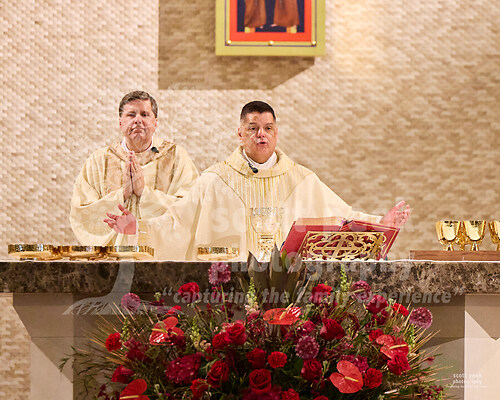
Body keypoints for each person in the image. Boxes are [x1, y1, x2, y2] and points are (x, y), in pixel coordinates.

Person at [104, 101, 410, 260]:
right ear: (240, 134)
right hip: (229, 295)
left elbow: (343, 217)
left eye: (267, 128)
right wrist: (137, 229)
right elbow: (177, 224)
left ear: (276, 133)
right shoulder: (215, 180)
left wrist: (381, 223)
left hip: (288, 295)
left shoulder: (301, 180)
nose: (260, 134)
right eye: (252, 128)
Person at [71, 91, 198, 246]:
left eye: (144, 114)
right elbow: (82, 213)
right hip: (112, 255)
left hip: (159, 255)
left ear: (155, 123)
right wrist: (122, 195)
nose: (138, 120)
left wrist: (145, 193)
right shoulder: (99, 161)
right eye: (131, 115)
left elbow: (191, 208)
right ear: (120, 123)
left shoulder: (176, 157)